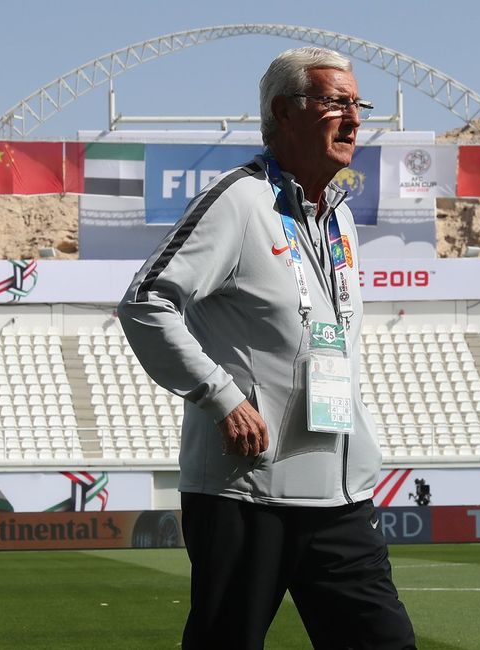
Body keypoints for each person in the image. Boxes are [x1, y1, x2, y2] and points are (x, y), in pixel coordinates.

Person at [118, 46, 416, 650]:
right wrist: (222, 397)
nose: (354, 119)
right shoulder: (238, 200)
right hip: (248, 493)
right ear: (284, 111)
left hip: (341, 497)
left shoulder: (339, 218)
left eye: (358, 105)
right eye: (335, 103)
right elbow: (145, 302)